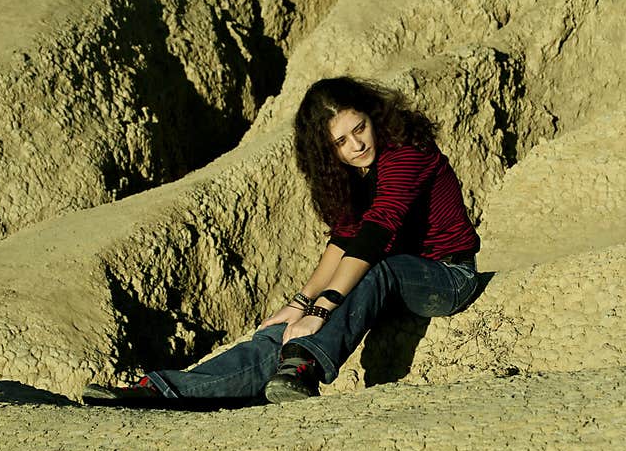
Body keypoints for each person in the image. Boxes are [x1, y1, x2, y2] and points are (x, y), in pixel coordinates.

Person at [83, 76, 481, 406]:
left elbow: (376, 233)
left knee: (354, 288)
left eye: (359, 129)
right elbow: (344, 240)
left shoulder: (406, 152)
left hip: (446, 275)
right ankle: (169, 389)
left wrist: (323, 308)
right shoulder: (353, 175)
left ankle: (304, 368)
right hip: (380, 282)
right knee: (284, 330)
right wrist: (301, 303)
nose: (356, 145)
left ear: (373, 115)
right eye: (340, 142)